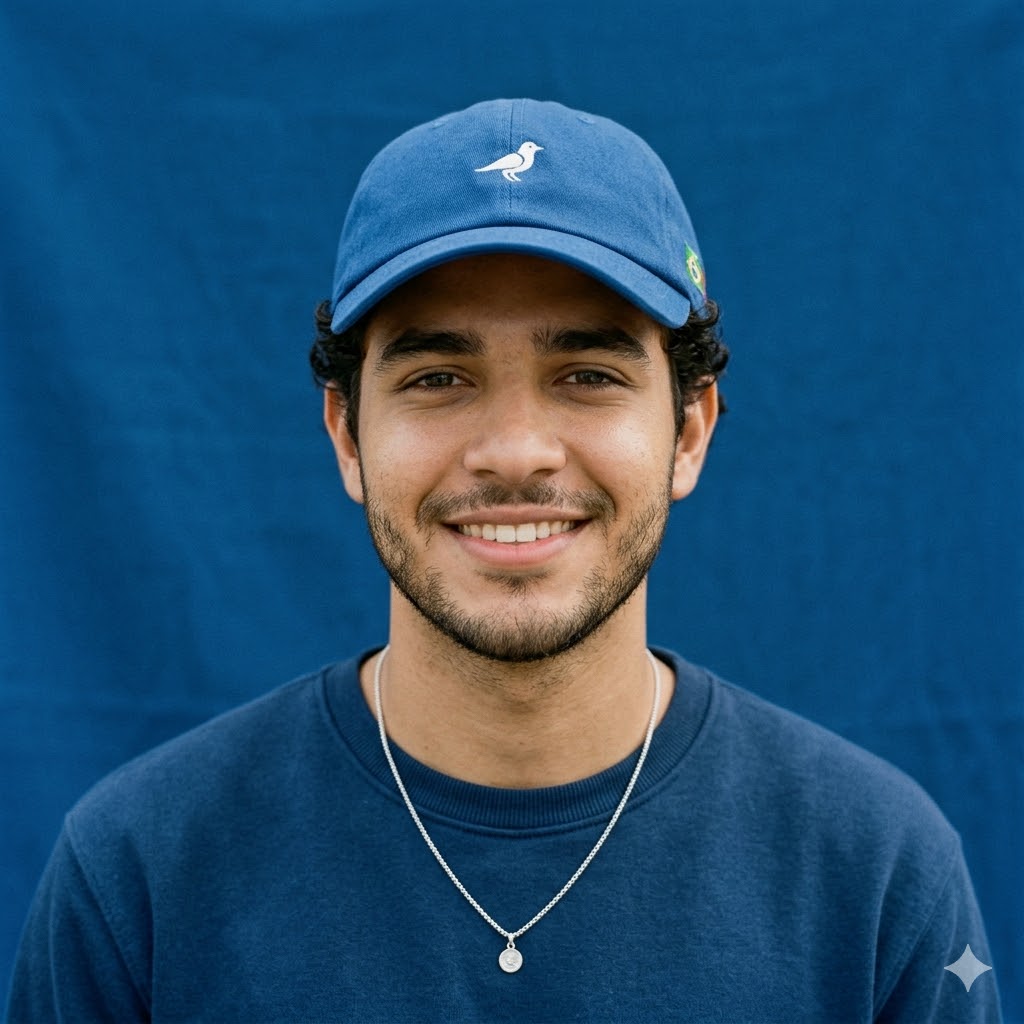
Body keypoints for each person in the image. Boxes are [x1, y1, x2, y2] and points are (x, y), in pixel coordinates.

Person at [6, 99, 1000, 1023]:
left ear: (689, 431)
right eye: (439, 377)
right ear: (346, 434)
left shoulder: (875, 875)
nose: (516, 451)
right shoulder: (141, 875)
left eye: (587, 374)